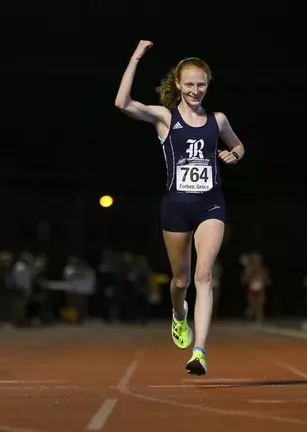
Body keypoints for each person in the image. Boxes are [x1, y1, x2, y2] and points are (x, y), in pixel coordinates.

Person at [114, 40, 245, 375]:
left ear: (208, 85)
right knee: (181, 281)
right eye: (189, 84)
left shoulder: (218, 119)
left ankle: (198, 352)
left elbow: (238, 145)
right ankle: (178, 314)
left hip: (210, 205)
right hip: (175, 208)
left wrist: (235, 155)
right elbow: (122, 102)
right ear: (178, 84)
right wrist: (136, 57)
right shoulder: (164, 118)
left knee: (204, 276)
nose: (195, 90)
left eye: (201, 84)